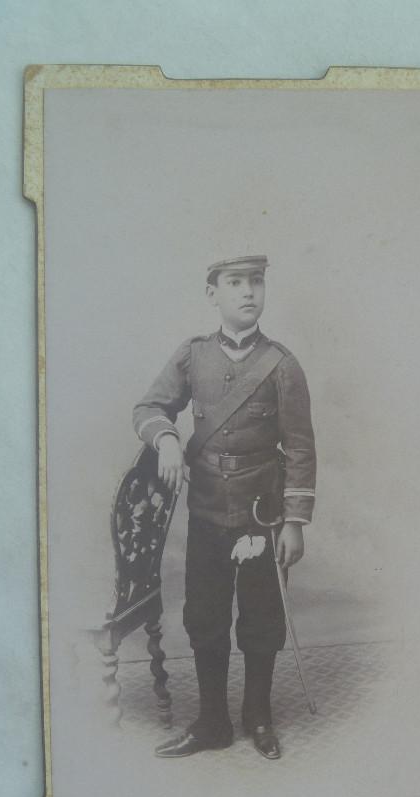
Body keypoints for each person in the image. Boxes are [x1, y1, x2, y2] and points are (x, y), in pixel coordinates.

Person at [132, 255, 316, 759]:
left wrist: (295, 522)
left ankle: (258, 715)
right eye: (235, 283)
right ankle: (212, 721)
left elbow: (300, 447)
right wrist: (167, 439)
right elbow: (149, 407)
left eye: (256, 281)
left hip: (264, 517)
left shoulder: (282, 364)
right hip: (209, 514)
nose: (247, 292)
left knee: (262, 619)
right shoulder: (193, 356)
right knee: (205, 616)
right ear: (212, 293)